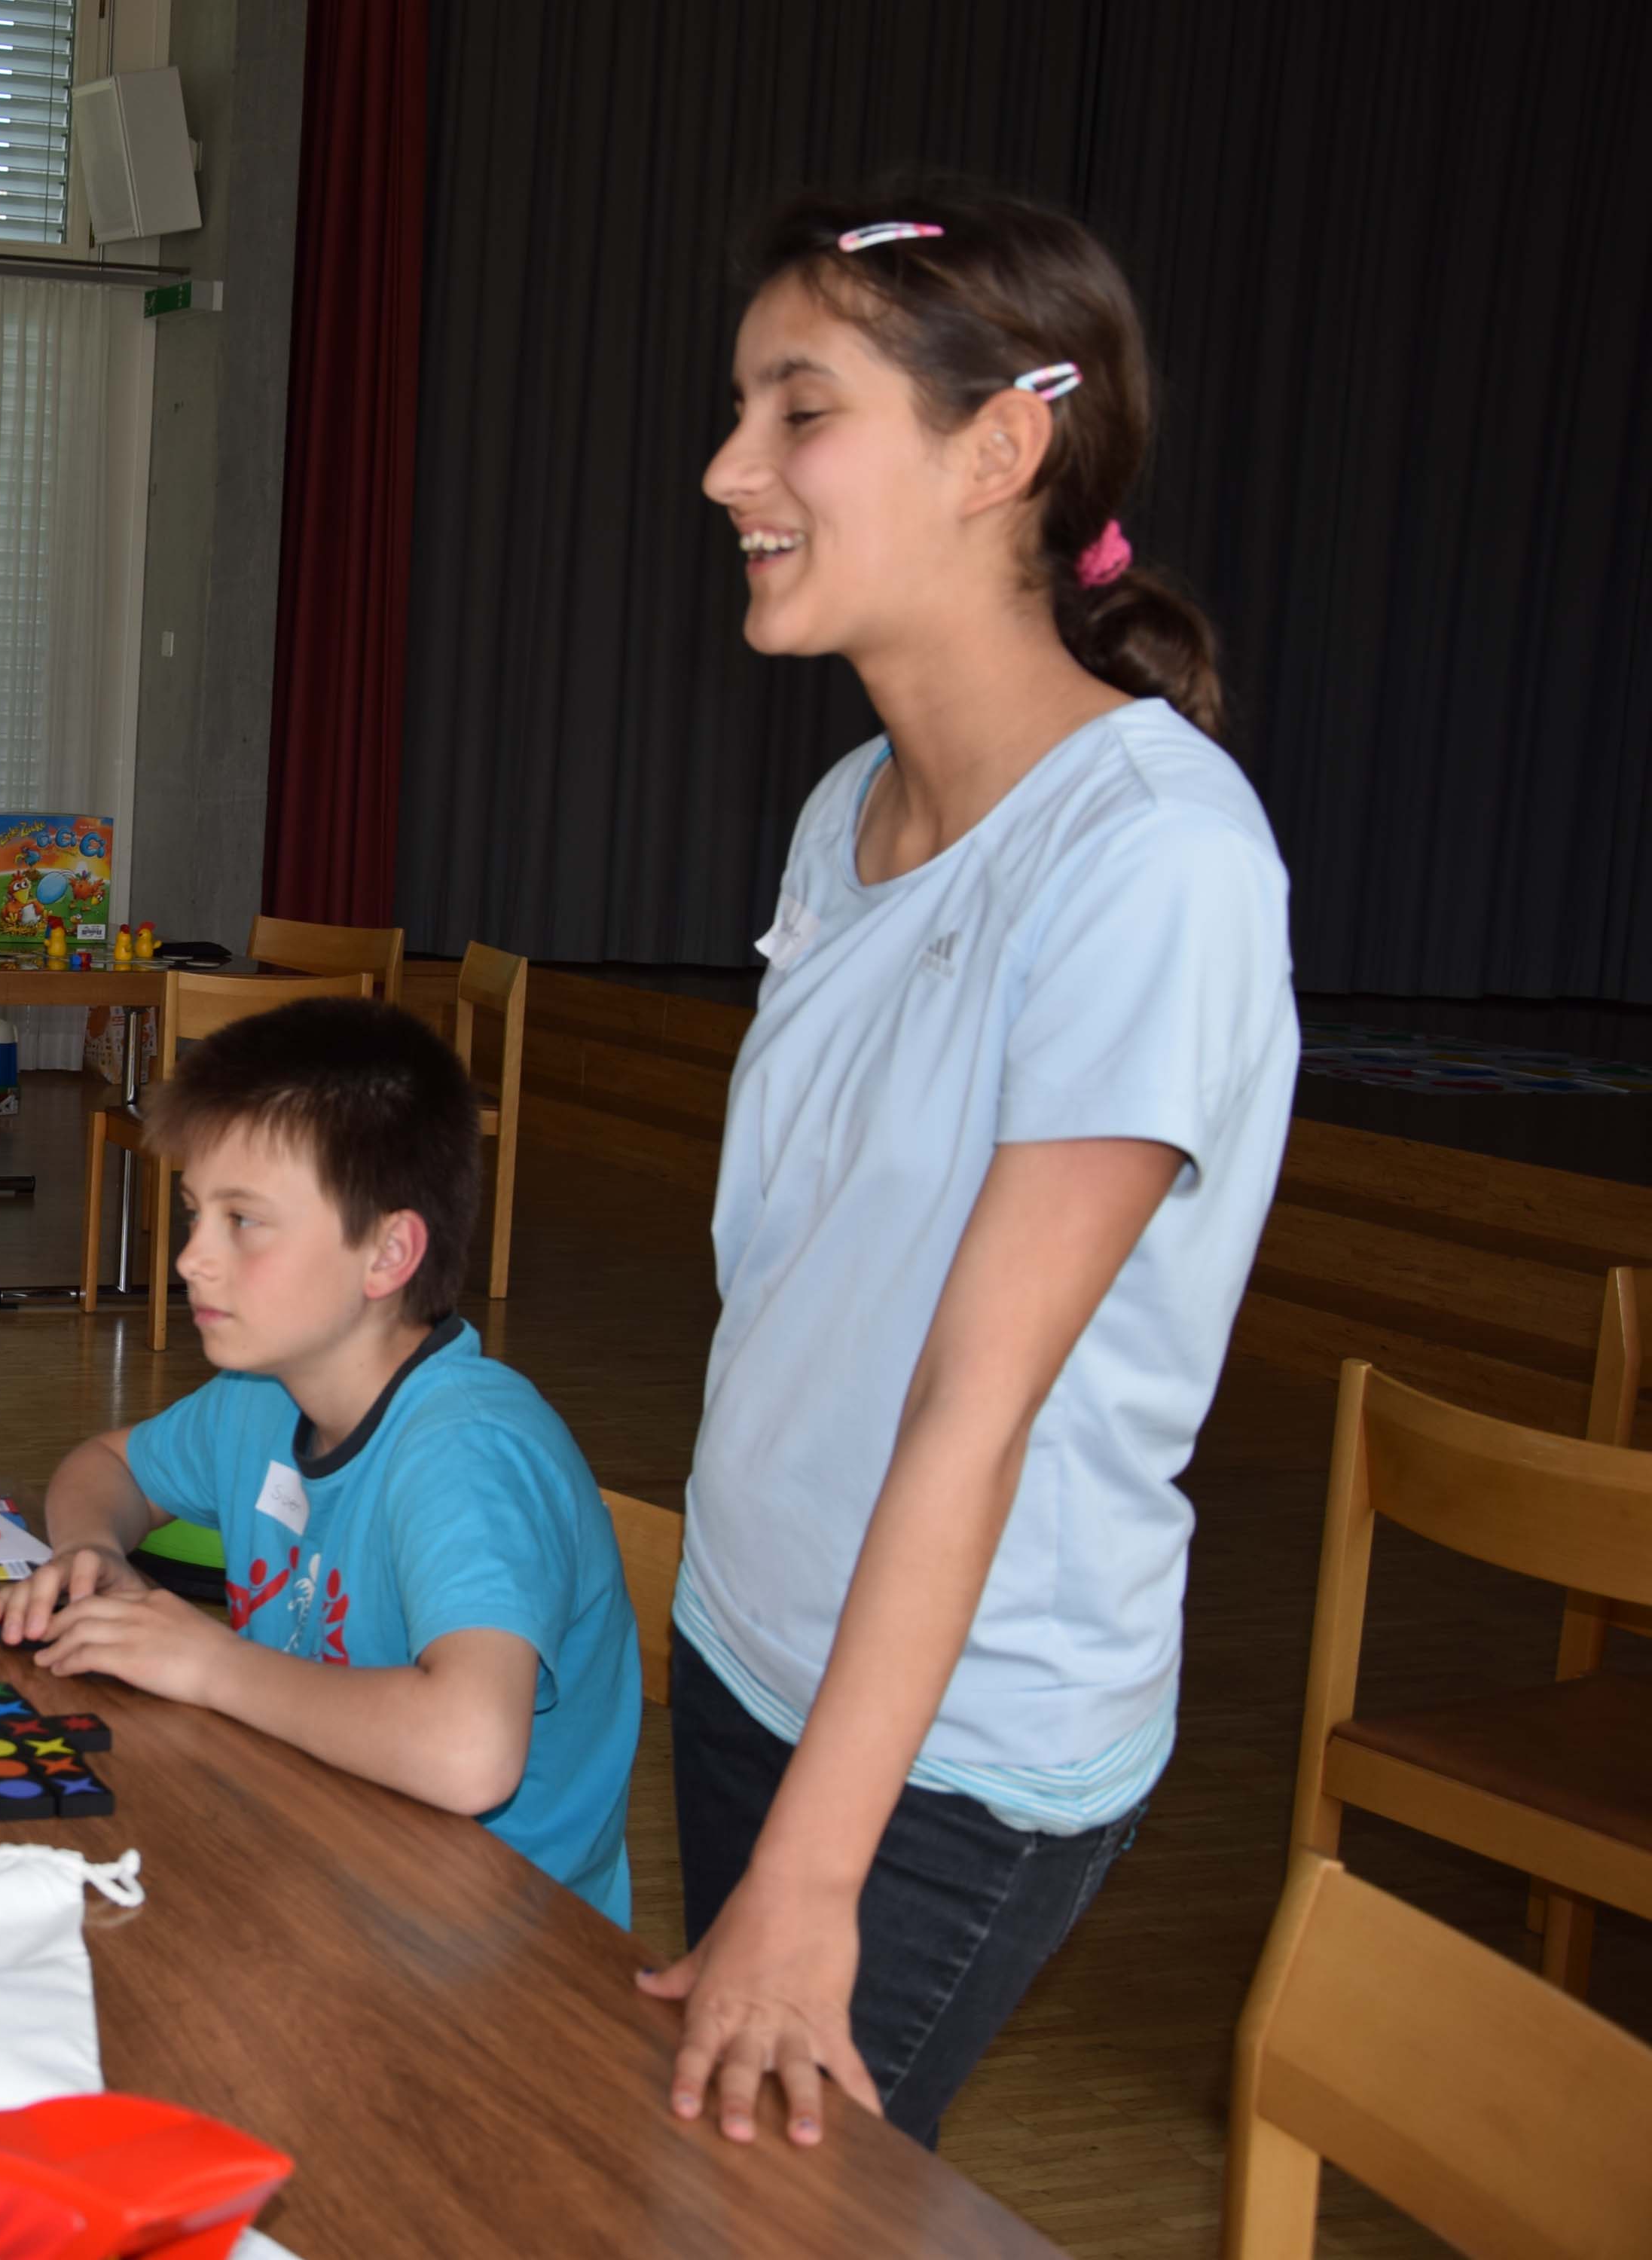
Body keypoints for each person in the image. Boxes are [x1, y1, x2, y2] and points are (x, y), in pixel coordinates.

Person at [642, 179, 1295, 2151]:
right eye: (739, 411)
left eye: (798, 411)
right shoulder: (847, 805)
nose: (727, 468)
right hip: (752, 1645)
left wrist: (812, 1880)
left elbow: (973, 1405)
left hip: (945, 1751)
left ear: (1000, 449)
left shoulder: (1151, 858)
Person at [0, 998, 640, 1926]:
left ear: (388, 1253)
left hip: (499, 1945)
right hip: (316, 1858)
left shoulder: (468, 1453)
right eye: (194, 1214)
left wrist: (209, 1664)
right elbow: (105, 1465)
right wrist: (92, 1550)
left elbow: (469, 1753)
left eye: (243, 1221)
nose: (190, 1260)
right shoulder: (263, 1392)